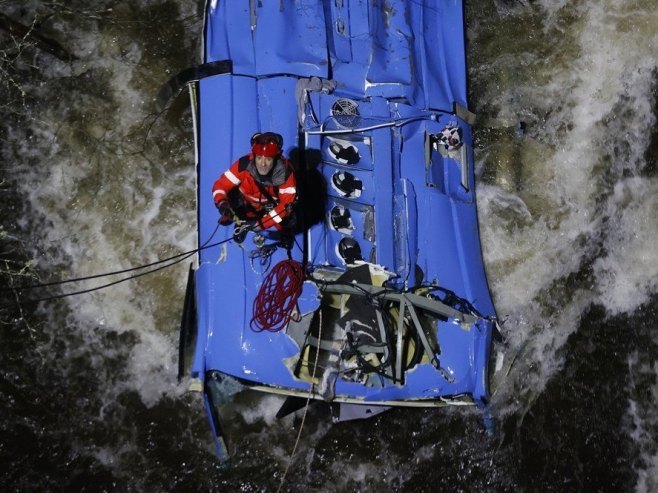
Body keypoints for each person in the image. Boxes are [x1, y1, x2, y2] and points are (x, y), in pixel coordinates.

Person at [212, 132, 297, 235]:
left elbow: (284, 206)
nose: (263, 164)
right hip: (246, 202)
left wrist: (261, 224)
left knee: (288, 217)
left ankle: (284, 234)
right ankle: (239, 223)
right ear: (254, 156)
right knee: (232, 199)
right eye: (259, 158)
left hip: (269, 207)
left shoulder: (286, 175)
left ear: (275, 158)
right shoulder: (243, 165)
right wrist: (222, 203)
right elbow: (220, 185)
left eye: (268, 159)